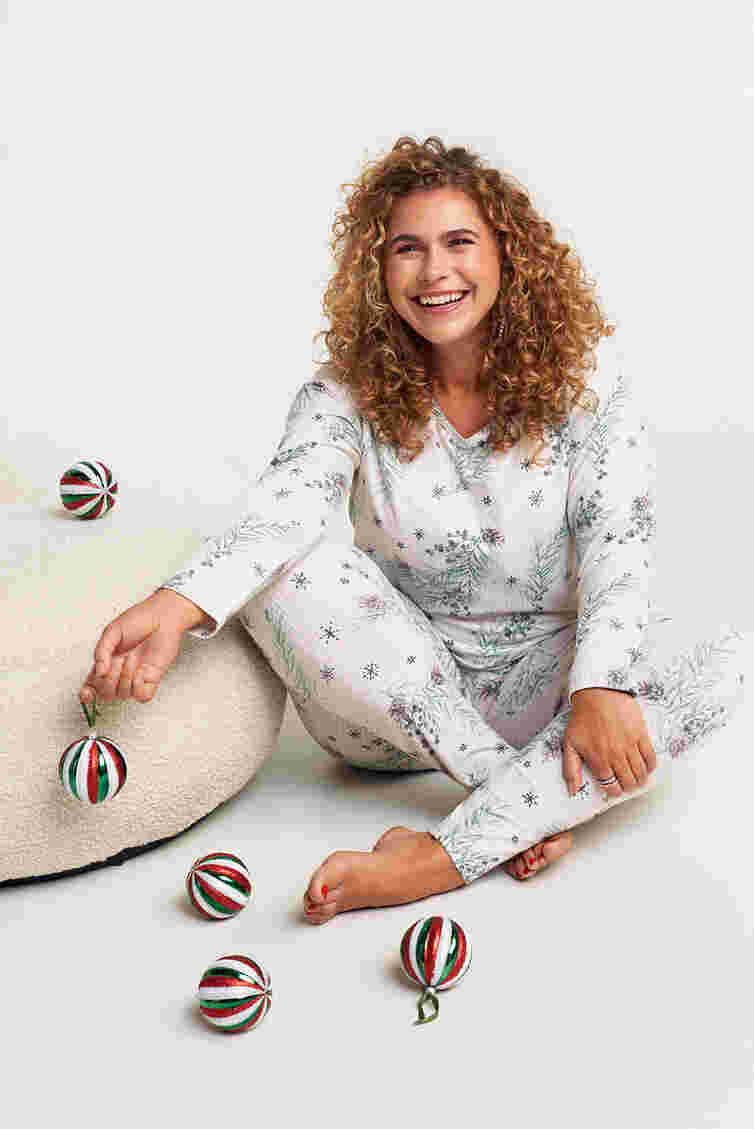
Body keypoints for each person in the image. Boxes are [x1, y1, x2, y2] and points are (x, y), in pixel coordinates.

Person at [80, 136, 747, 925]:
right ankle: (512, 795)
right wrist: (176, 604)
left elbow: (617, 541)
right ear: (378, 268)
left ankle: (440, 856)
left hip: (552, 691)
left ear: (507, 255)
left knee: (723, 654)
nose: (435, 271)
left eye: (459, 242)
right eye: (407, 248)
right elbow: (285, 511)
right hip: (385, 707)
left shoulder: (590, 388)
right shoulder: (341, 393)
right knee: (290, 570)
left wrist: (599, 684)